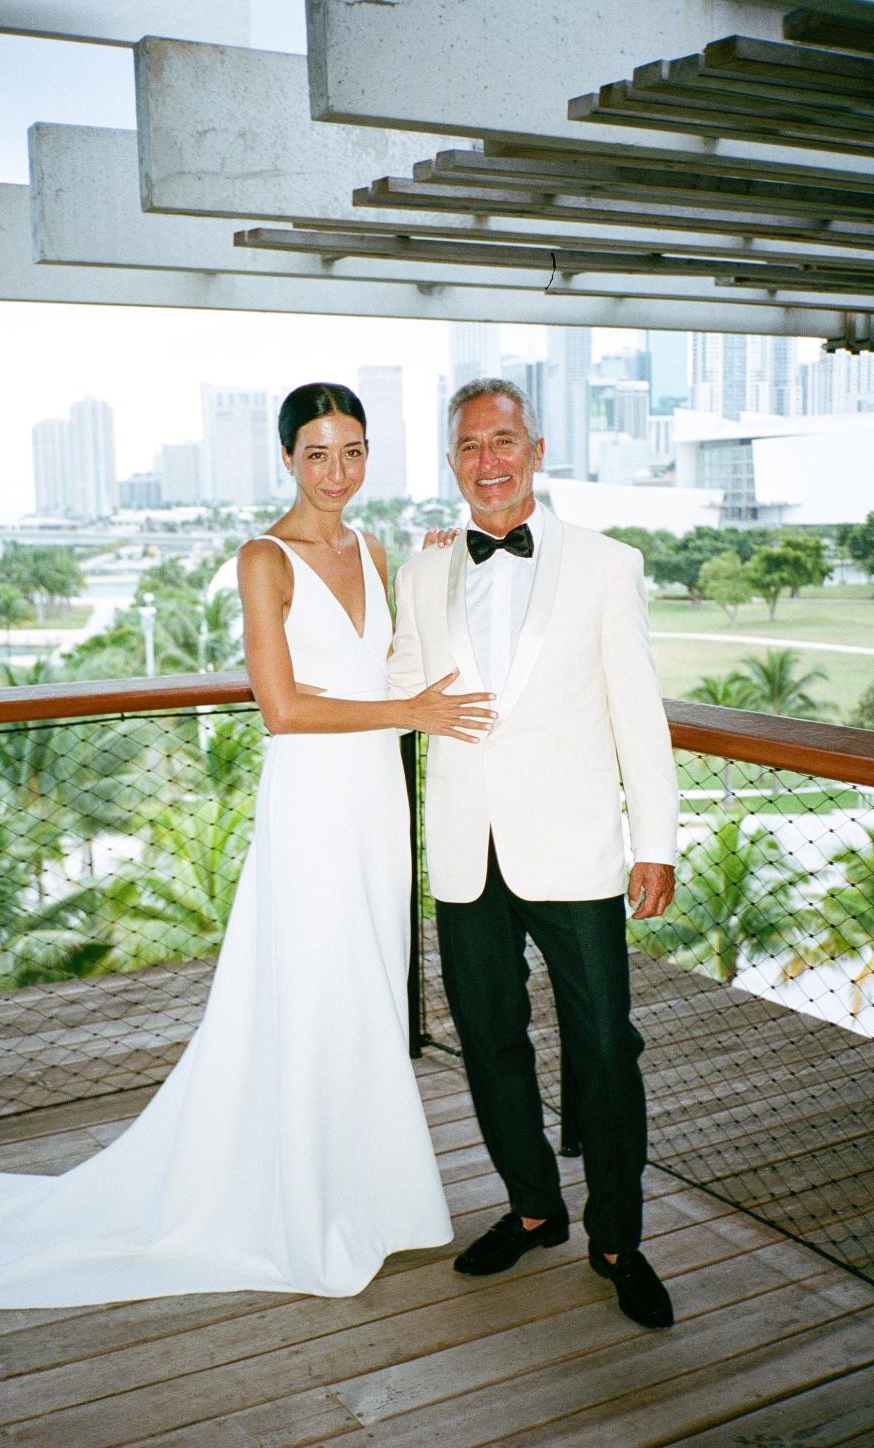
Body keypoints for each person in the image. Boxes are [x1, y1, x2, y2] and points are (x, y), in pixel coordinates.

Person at [0, 382, 495, 1310]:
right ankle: (304, 1207)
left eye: (353, 451)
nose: (337, 472)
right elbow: (285, 708)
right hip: (311, 802)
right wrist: (415, 713)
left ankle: (370, 1197)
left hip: (376, 806)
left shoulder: (378, 548)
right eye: (317, 454)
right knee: (310, 986)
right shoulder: (262, 558)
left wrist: (434, 573)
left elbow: (381, 662)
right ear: (287, 460)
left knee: (366, 990)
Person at [388, 378, 679, 1330]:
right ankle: (531, 1206)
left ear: (537, 449)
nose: (489, 461)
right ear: (452, 462)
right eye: (470, 446)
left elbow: (639, 710)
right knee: (489, 1041)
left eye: (503, 440)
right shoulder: (424, 565)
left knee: (605, 1046)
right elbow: (400, 682)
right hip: (469, 850)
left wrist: (658, 841)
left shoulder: (606, 563)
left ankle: (618, 1237)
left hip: (578, 849)